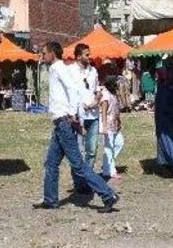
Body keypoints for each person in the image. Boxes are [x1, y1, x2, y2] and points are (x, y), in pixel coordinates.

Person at [34, 41, 118, 213]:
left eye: (44, 53)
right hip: (60, 122)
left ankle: (108, 194)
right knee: (51, 163)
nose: (42, 56)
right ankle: (50, 199)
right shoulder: (58, 69)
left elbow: (73, 90)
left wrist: (72, 114)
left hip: (64, 121)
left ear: (52, 53)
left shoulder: (59, 68)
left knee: (78, 164)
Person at [69, 43, 100, 193]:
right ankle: (78, 182)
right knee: (78, 152)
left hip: (93, 116)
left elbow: (96, 90)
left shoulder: (93, 71)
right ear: (78, 56)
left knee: (92, 150)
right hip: (78, 117)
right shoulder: (70, 71)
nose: (90, 57)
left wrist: (97, 99)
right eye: (87, 54)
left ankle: (87, 181)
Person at [99, 76, 123, 182]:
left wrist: (119, 121)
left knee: (119, 143)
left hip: (115, 124)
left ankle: (107, 165)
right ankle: (110, 171)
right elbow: (103, 112)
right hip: (108, 124)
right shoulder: (106, 96)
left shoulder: (114, 95)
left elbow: (116, 110)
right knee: (108, 147)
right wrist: (104, 126)